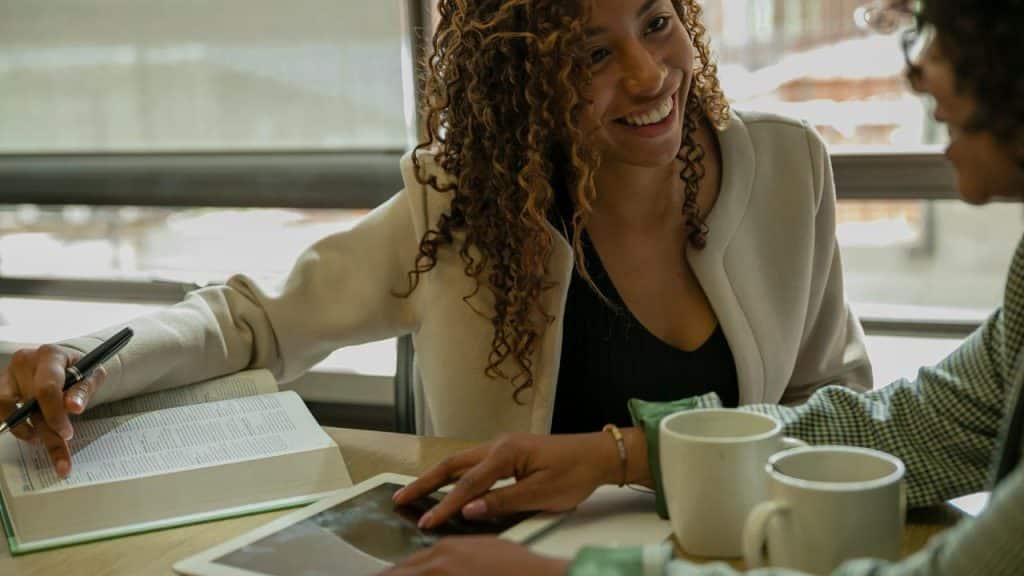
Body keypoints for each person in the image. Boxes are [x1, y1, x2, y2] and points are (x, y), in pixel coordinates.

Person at [0, 0, 870, 479]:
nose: (648, 76)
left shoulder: (788, 166)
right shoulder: (463, 203)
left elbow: (843, 405)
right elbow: (250, 324)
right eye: (591, 55)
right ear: (525, 75)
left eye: (656, 23)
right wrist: (84, 361)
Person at [385, 0, 1024, 574]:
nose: (917, 70)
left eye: (941, 34)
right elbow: (913, 425)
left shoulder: (783, 159)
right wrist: (619, 455)